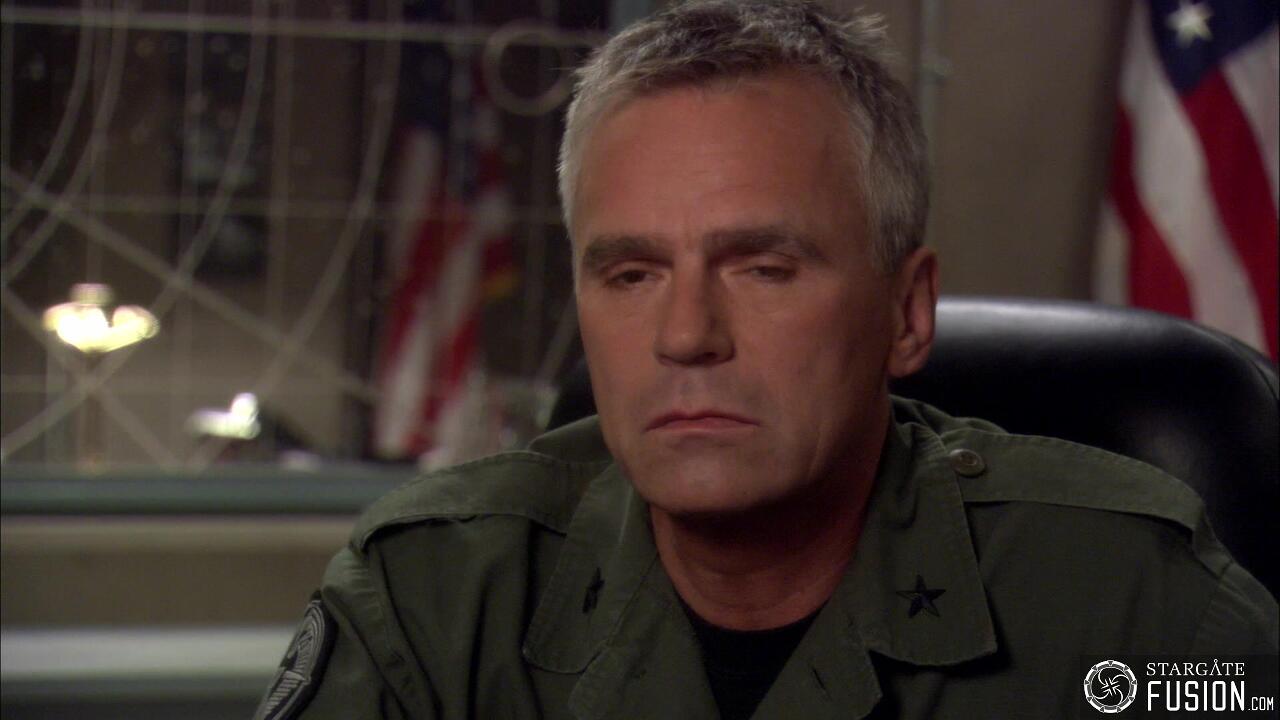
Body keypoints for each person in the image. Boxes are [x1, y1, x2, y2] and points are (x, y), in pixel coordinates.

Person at [256, 2, 1277, 718]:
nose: (684, 335)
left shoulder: (1137, 612)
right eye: (631, 274)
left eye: (763, 268)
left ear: (905, 312)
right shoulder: (433, 597)